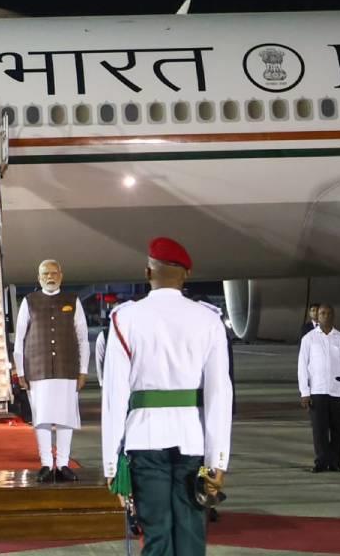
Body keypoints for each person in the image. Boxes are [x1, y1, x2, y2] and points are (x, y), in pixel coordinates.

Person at [102, 237, 232, 556]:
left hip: (144, 438)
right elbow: (219, 394)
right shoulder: (209, 319)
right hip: (192, 440)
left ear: (148, 273)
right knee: (190, 533)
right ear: (186, 275)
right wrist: (217, 460)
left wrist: (110, 466)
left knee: (156, 533)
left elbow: (115, 394)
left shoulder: (125, 318)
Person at [13, 259, 89, 483]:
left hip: (67, 369)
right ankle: (46, 464)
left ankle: (63, 464)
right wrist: (20, 371)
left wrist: (83, 370)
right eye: (45, 273)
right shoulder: (30, 302)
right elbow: (19, 339)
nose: (50, 276)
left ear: (61, 275)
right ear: (39, 278)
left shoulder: (73, 301)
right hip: (37, 369)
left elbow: (83, 338)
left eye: (54, 273)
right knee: (42, 418)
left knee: (66, 418)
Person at [299, 305, 340, 472]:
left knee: (338, 429)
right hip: (317, 391)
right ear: (318, 316)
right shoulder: (308, 339)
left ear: (334, 316)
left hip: (338, 391)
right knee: (319, 430)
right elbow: (302, 367)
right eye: (323, 313)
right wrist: (304, 392)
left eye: (329, 313)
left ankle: (337, 462)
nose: (326, 316)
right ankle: (322, 462)